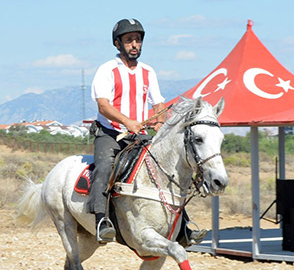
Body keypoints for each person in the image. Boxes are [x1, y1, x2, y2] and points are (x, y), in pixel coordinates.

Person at [87, 18, 205, 245]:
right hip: (111, 134)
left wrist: (160, 124)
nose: (135, 45)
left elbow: (158, 104)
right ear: (117, 44)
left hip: (138, 136)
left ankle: (184, 227)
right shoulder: (107, 70)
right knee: (103, 168)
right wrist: (128, 121)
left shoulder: (148, 72)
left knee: (167, 168)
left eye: (138, 40)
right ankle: (101, 221)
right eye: (129, 40)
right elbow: (103, 106)